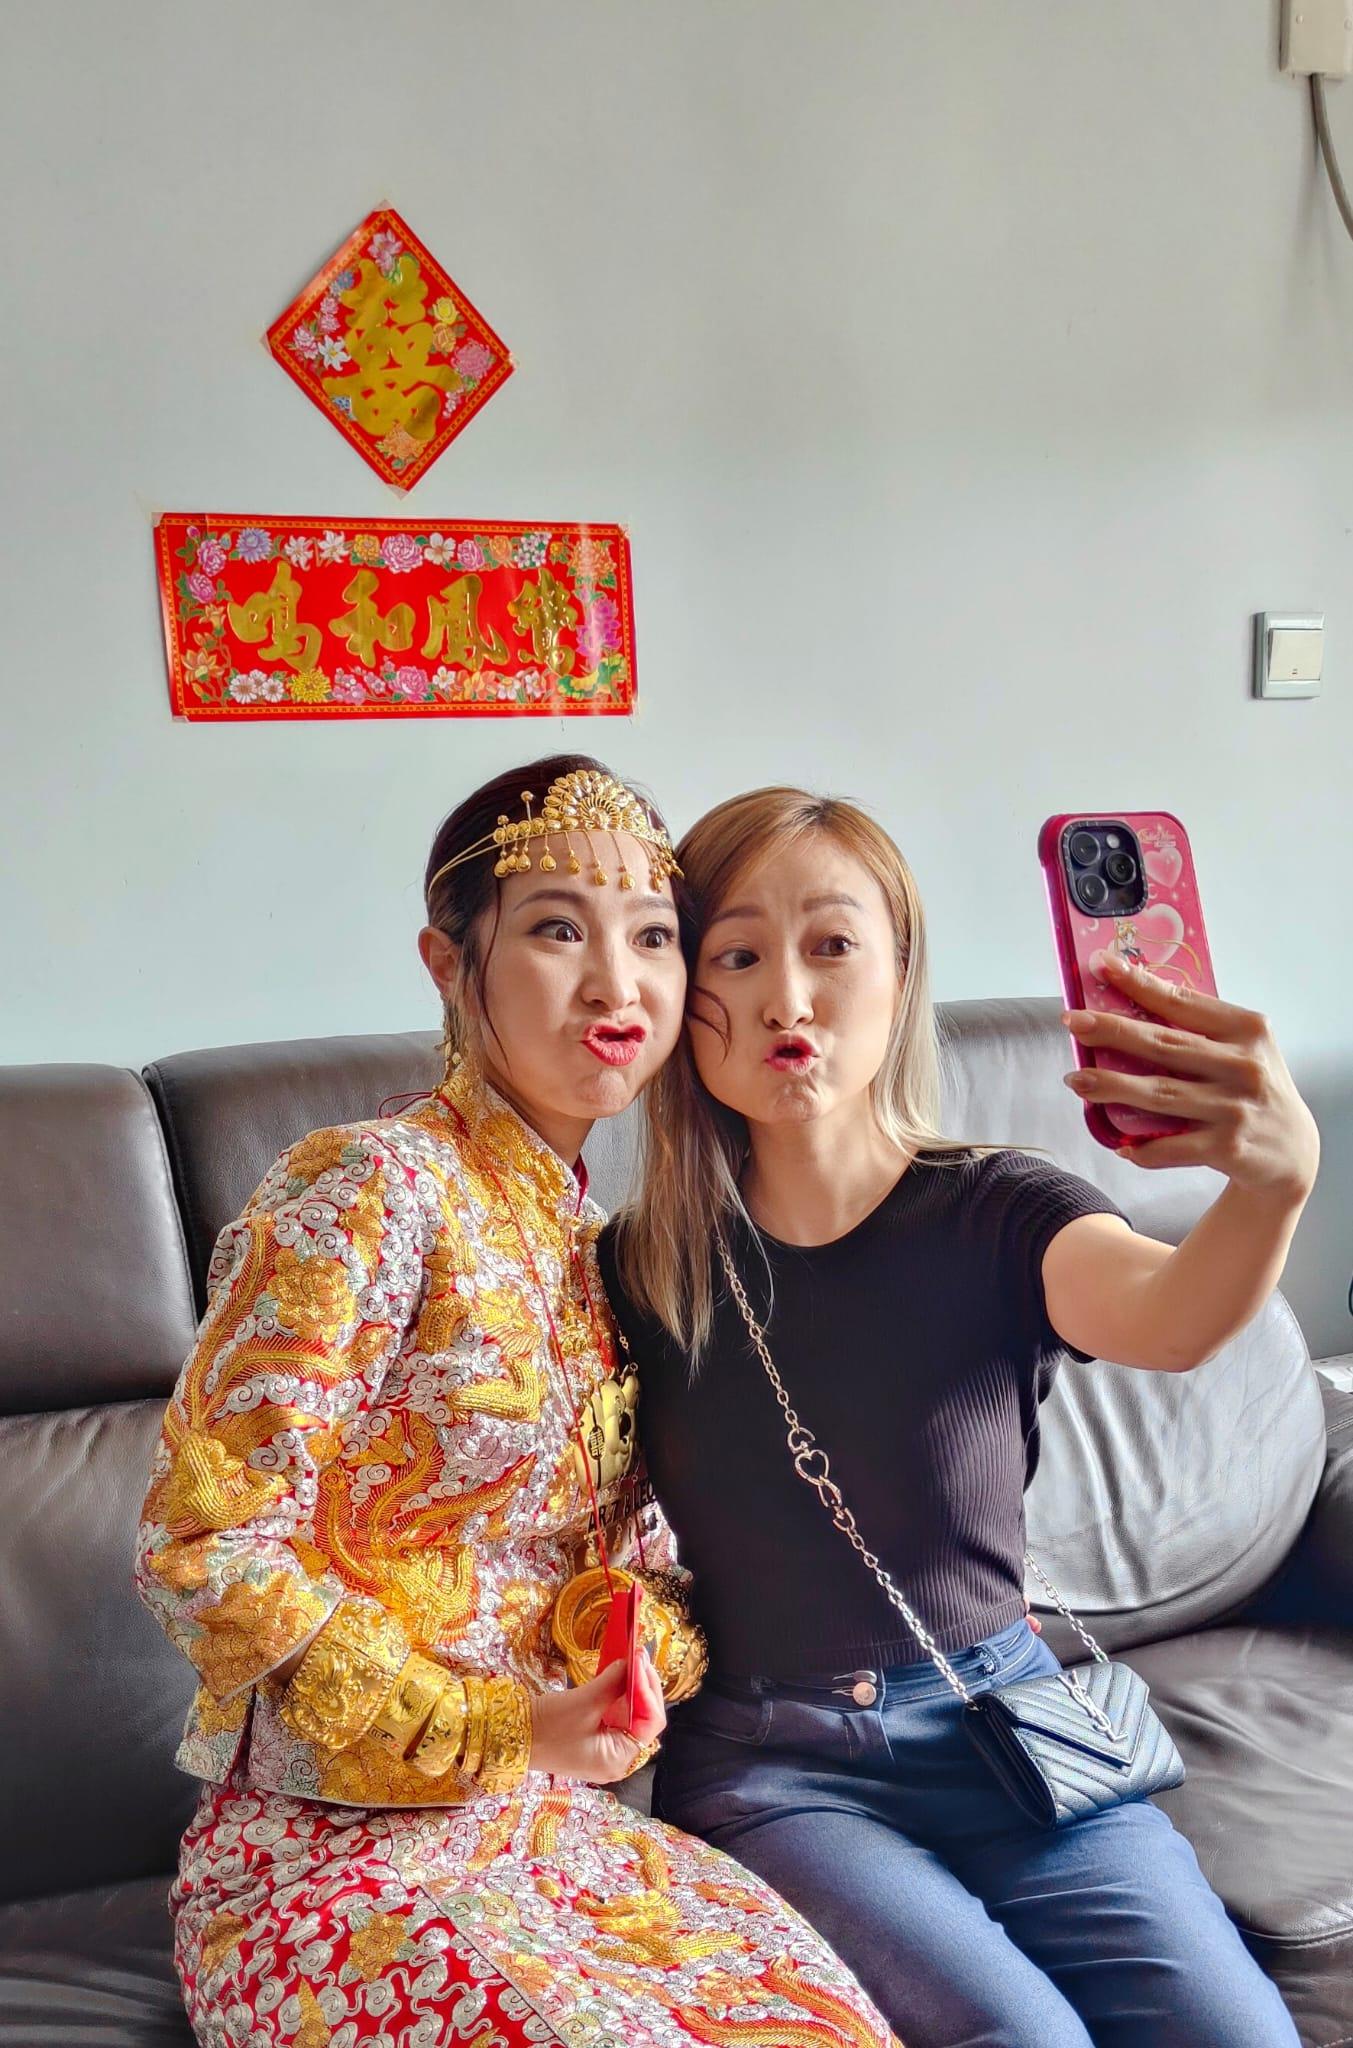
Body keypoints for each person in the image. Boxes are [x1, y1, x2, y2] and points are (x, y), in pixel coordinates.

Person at [135, 758, 897, 2048]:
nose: (616, 984)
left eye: (652, 937)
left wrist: (628, 1649)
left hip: (558, 1837)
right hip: (327, 1865)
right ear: (450, 964)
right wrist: (506, 1724)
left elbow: (627, 1552)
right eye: (556, 930)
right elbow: (204, 1543)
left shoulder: (604, 1250)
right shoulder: (364, 1187)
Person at [600, 784, 1313, 2048]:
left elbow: (1171, 1317)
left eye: (832, 944)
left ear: (901, 971)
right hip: (773, 1763)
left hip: (1004, 1718)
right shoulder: (641, 1266)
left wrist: (1273, 1183)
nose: (787, 997)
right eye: (737, 955)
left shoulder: (1001, 1210)